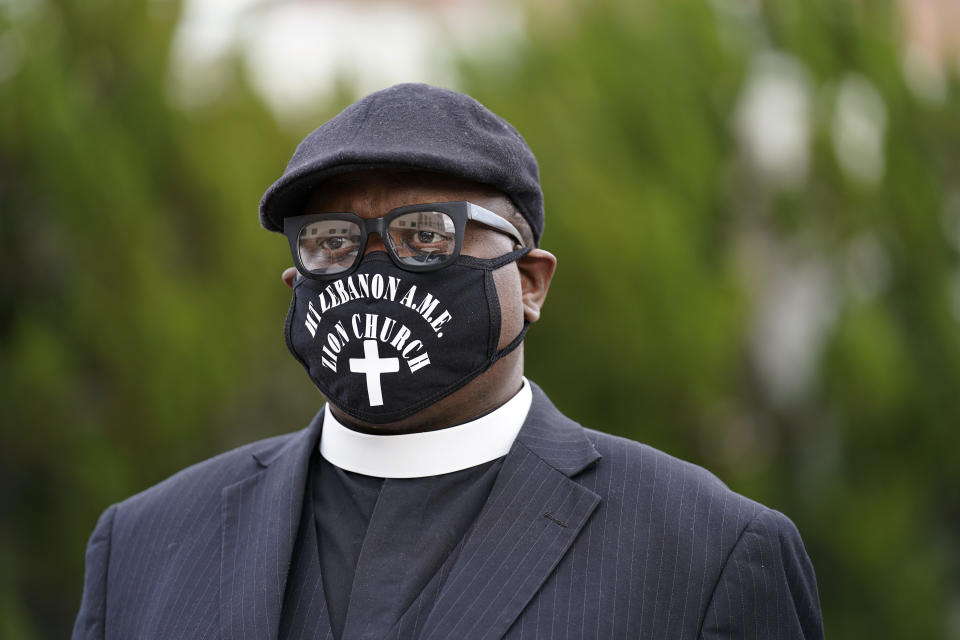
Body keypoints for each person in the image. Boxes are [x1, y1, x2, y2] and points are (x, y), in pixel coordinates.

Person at [72, 83, 824, 640]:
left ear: (529, 283)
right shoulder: (141, 546)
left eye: (426, 233)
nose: (372, 268)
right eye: (331, 241)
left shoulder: (709, 554)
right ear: (294, 279)